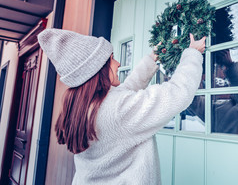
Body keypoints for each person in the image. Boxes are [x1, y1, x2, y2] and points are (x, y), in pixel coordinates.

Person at [37, 29, 206, 185]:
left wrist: (152, 58)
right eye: (111, 59)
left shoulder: (80, 108)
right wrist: (192, 54)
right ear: (97, 69)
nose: (117, 63)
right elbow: (177, 94)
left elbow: (123, 94)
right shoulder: (116, 110)